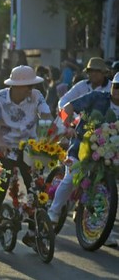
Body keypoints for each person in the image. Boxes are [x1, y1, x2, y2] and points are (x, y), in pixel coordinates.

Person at [0, 66, 52, 257]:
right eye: (26, 86)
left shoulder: (36, 96)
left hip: (28, 148)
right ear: (15, 86)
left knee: (37, 191)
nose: (30, 89)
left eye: (32, 85)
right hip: (4, 147)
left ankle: (34, 234)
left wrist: (51, 135)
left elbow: (46, 116)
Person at [48, 72, 119, 228]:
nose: (117, 90)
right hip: (80, 147)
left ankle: (102, 230)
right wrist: (67, 125)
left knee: (106, 191)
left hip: (110, 156)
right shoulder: (96, 97)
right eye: (116, 86)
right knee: (72, 176)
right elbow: (68, 107)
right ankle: (53, 212)